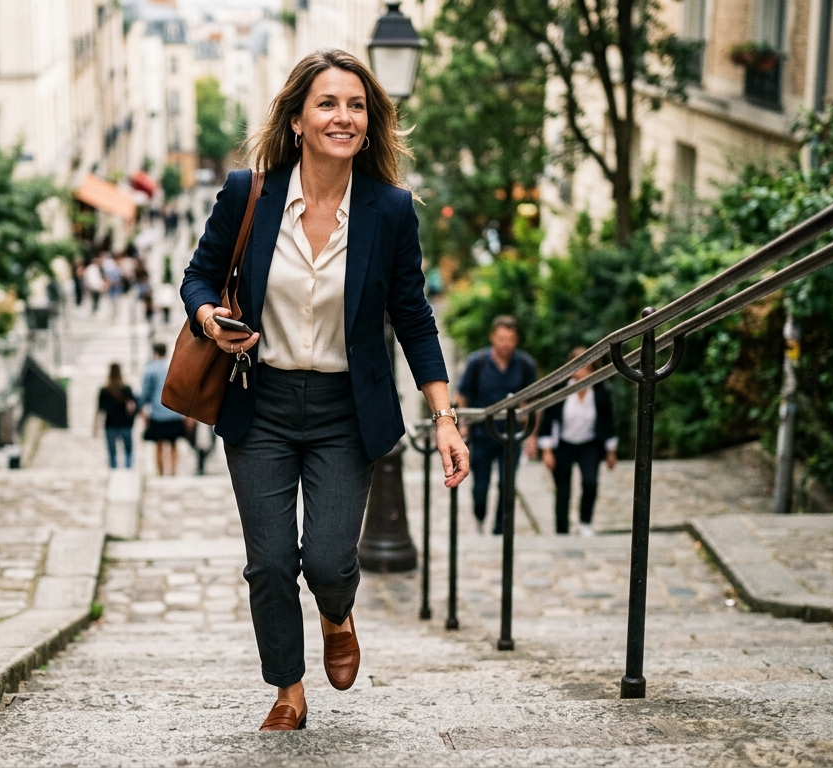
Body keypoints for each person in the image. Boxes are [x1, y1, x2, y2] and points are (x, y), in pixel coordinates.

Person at [180, 49, 469, 732]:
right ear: (299, 120)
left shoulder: (389, 211)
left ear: (369, 124)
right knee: (272, 562)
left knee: (330, 561)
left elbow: (414, 316)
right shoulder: (248, 193)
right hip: (262, 403)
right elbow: (198, 275)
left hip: (347, 411)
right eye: (328, 104)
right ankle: (288, 689)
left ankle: (337, 614)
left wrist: (446, 417)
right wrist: (207, 317)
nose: (343, 116)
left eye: (356, 105)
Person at [455, 315, 538, 535]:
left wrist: (532, 436)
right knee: (480, 486)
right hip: (482, 434)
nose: (505, 344)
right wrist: (463, 424)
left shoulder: (524, 364)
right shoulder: (478, 362)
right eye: (501, 338)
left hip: (510, 435)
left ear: (516, 340)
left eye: (510, 339)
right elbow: (462, 395)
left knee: (506, 484)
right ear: (493, 337)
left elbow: (532, 401)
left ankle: (500, 529)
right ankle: (480, 516)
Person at [538, 347, 618, 536]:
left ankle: (585, 522)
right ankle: (562, 529)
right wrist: (547, 450)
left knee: (590, 482)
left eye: (587, 368)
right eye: (579, 367)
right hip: (564, 443)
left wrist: (611, 450)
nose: (582, 373)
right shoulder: (560, 390)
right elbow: (548, 419)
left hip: (589, 444)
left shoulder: (600, 391)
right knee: (563, 488)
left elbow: (608, 421)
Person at [138, 343, 186, 475]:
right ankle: (173, 471)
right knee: (173, 444)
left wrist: (140, 406)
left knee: (159, 445)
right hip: (174, 411)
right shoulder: (173, 366)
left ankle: (161, 473)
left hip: (158, 411)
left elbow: (145, 392)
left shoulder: (150, 369)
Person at [95, 363, 137, 469]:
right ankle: (128, 471)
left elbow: (100, 410)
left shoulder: (104, 390)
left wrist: (95, 427)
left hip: (110, 424)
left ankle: (114, 471)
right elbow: (132, 407)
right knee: (128, 450)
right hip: (125, 424)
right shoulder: (126, 389)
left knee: (112, 453)